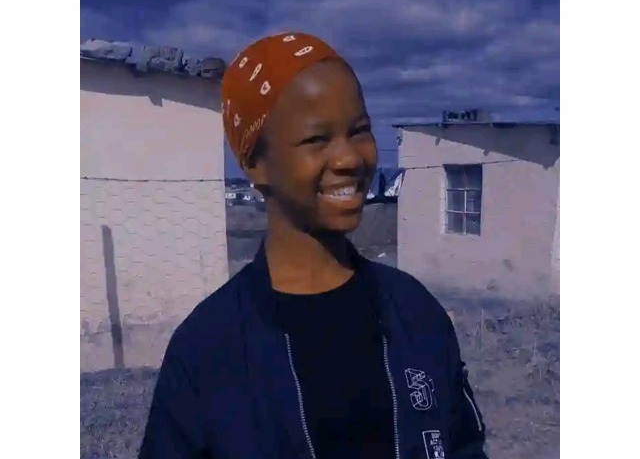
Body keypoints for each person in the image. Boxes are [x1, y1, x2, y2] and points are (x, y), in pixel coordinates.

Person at [139, 32, 488, 459]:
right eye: (316, 140)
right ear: (255, 163)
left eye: (359, 131)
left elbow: (463, 445)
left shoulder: (414, 310)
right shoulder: (207, 350)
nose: (350, 159)